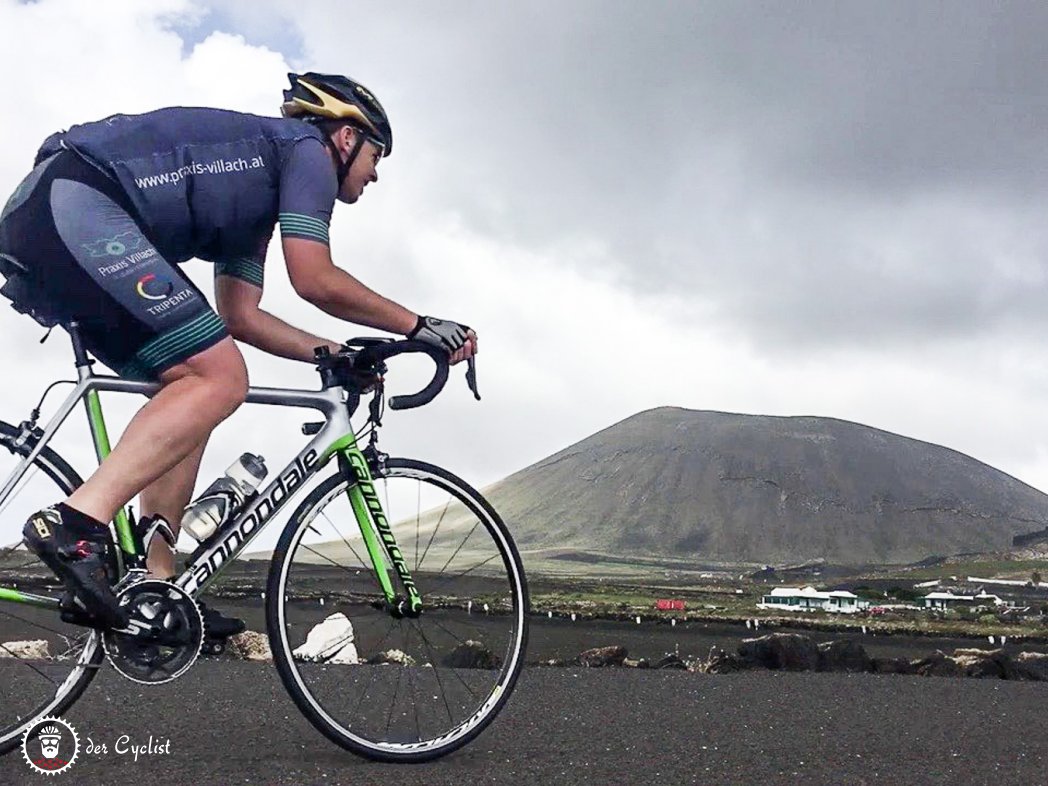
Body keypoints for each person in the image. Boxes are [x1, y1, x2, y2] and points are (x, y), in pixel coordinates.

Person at [0, 72, 477, 634]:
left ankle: (155, 590)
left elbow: (241, 315)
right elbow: (315, 277)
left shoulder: (254, 204)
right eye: (377, 155)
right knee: (222, 379)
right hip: (78, 204)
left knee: (198, 388)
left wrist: (335, 354)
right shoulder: (305, 152)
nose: (375, 174)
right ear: (346, 138)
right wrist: (420, 326)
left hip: (52, 215)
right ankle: (77, 522)